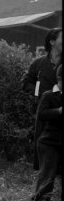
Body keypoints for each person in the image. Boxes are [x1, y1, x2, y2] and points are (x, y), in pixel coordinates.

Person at [22, 27, 62, 170]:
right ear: (52, 41)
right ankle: (46, 182)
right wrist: (40, 93)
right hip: (45, 114)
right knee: (45, 153)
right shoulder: (38, 64)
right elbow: (26, 82)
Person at [31, 65, 62, 201]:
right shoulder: (48, 95)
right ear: (60, 79)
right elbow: (42, 115)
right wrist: (58, 111)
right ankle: (41, 199)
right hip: (49, 141)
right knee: (48, 171)